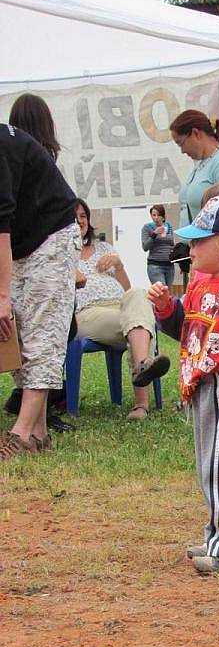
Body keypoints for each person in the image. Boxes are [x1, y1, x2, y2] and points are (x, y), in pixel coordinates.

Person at [148, 195, 219, 573]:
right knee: (212, 464)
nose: (190, 247)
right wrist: (167, 309)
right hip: (203, 387)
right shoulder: (201, 285)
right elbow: (186, 330)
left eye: (199, 241)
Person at [0, 123, 80, 459]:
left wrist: (3, 297)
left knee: (44, 331)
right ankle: (39, 433)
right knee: (21, 332)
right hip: (23, 243)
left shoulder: (1, 146)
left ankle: (20, 434)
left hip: (53, 235)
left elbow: (0, 224)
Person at [75, 199, 170, 421]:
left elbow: (126, 288)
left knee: (137, 295)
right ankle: (142, 401)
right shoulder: (61, 254)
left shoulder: (104, 248)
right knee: (140, 323)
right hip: (87, 312)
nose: (80, 221)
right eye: (74, 217)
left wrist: (118, 265)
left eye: (83, 216)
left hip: (119, 306)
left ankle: (142, 369)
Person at [170, 110, 219, 228]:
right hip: (192, 244)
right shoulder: (201, 165)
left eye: (181, 143)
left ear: (196, 133)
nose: (182, 150)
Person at [141, 204, 174, 287]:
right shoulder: (147, 227)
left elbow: (171, 243)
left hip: (169, 265)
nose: (156, 217)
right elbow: (145, 247)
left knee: (167, 295)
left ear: (163, 216)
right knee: (162, 291)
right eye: (153, 215)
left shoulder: (168, 226)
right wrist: (154, 234)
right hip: (155, 265)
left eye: (158, 215)